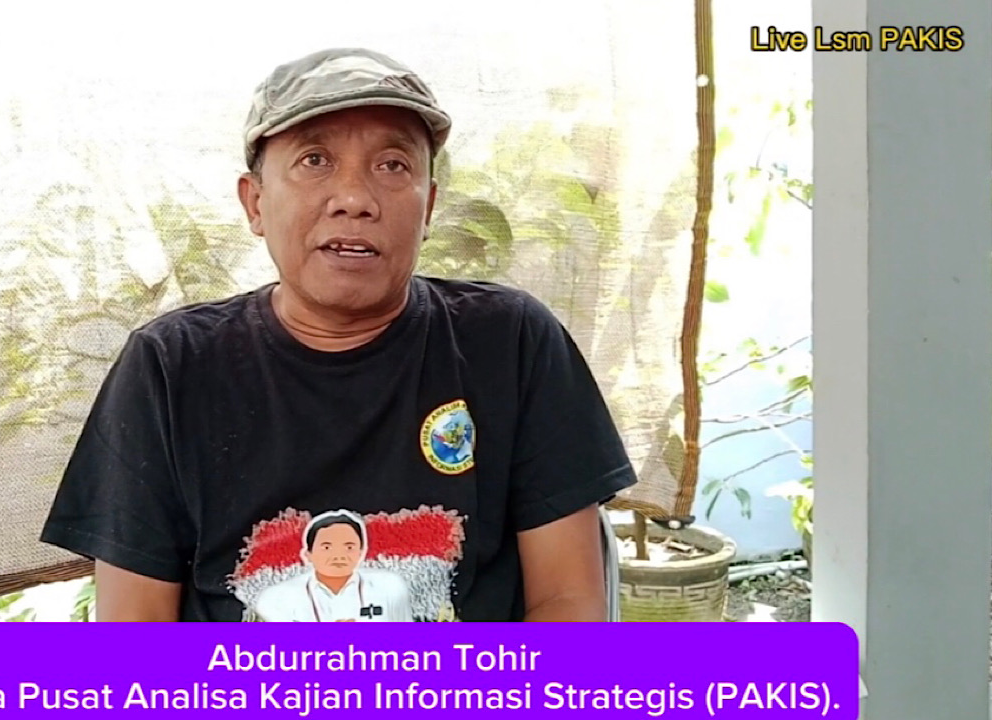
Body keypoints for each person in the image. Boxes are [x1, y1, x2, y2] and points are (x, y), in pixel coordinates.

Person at [39, 47, 638, 622]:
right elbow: (134, 631)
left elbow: (568, 602)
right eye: (314, 160)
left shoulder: (511, 343)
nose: (354, 199)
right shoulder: (171, 368)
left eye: (392, 165)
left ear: (428, 206)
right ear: (255, 202)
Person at [250, 510, 413, 622]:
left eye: (349, 547)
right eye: (327, 547)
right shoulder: (277, 597)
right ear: (308, 554)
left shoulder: (389, 586)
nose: (338, 555)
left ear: (361, 552)